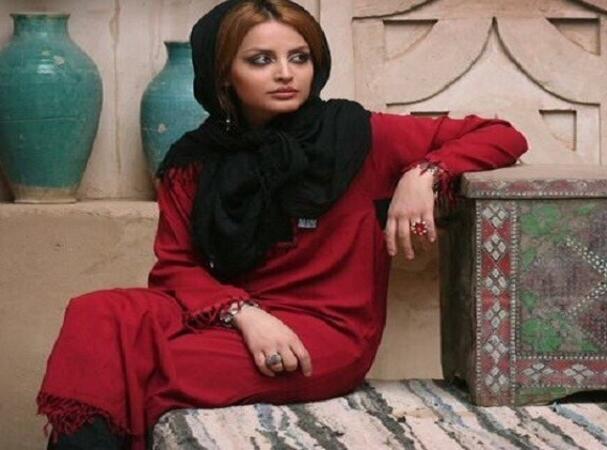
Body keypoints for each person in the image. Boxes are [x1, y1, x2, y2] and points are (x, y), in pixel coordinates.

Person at [36, 0, 528, 449]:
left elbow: (501, 135)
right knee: (96, 314)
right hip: (233, 315)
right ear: (223, 75)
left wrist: (425, 173)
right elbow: (176, 266)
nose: (286, 74)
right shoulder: (196, 160)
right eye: (260, 60)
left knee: (133, 375)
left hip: (325, 335)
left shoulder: (357, 135)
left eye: (299, 57)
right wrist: (246, 315)